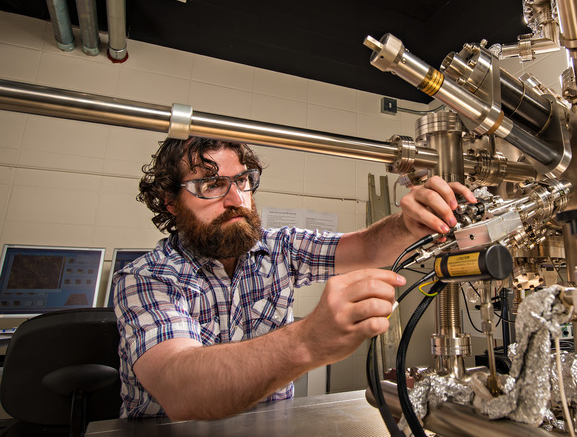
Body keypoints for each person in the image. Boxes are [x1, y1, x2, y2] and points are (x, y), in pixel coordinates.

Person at [113, 137, 475, 420]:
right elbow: (181, 391)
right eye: (210, 185)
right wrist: (307, 340)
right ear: (171, 202)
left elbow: (365, 248)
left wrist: (406, 224)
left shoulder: (279, 248)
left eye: (242, 180)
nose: (237, 199)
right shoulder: (146, 278)